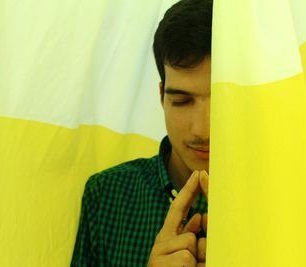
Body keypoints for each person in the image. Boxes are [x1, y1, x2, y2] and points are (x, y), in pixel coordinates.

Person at [70, 0, 212, 266]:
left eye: (222, 103)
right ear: (161, 96)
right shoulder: (108, 196)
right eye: (182, 101)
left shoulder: (282, 196)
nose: (202, 129)